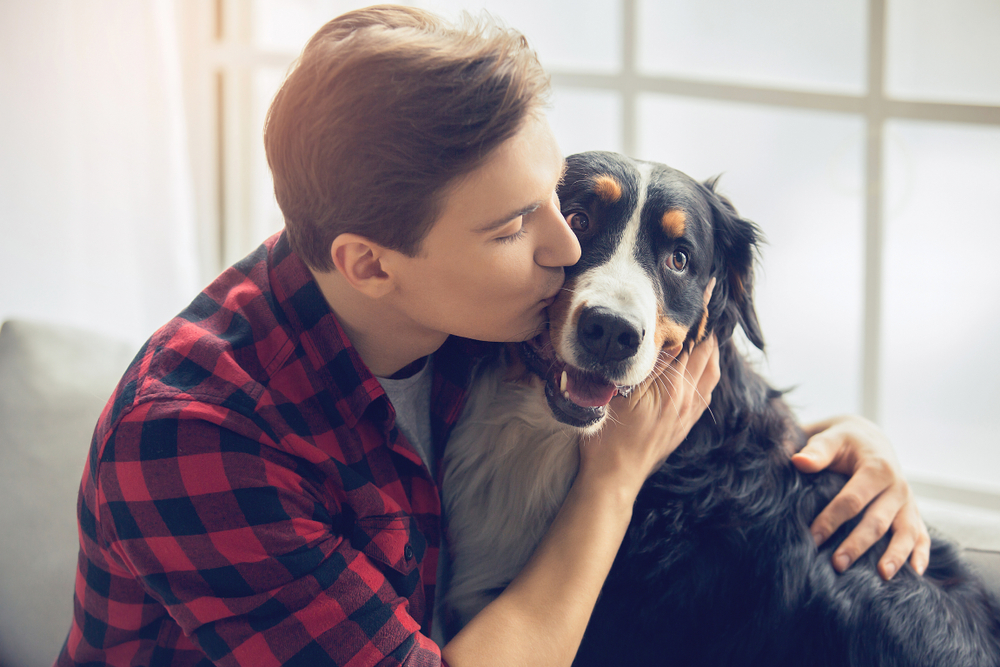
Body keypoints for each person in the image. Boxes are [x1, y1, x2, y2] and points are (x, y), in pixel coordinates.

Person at [56, 6, 930, 666]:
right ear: (370, 264)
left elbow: (706, 395)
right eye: (516, 226)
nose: (566, 252)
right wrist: (610, 484)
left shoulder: (474, 318)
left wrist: (840, 450)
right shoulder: (190, 439)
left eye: (558, 197)